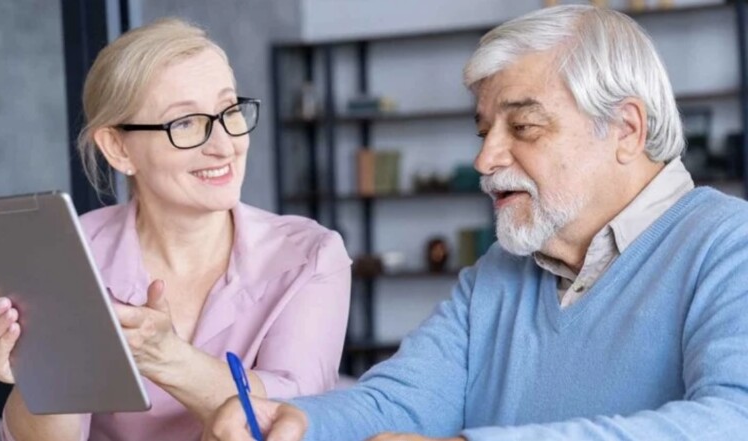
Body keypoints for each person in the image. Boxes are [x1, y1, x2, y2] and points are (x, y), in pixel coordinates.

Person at [207, 5, 748, 441]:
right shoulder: (499, 272)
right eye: (483, 131)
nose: (485, 160)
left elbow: (731, 423)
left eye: (524, 126)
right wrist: (299, 422)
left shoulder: (729, 246)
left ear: (625, 130)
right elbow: (400, 401)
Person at [0, 18, 352, 441]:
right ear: (118, 148)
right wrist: (38, 374)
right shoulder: (69, 255)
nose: (223, 144)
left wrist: (168, 359)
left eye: (229, 111)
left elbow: (294, 421)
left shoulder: (310, 256)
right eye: (184, 123)